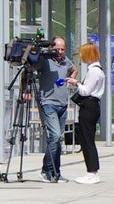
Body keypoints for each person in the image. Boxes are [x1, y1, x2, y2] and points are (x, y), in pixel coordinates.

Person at [32, 36, 75, 182]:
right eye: (57, 49)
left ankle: (55, 172)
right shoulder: (45, 61)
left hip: (62, 105)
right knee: (55, 136)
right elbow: (32, 68)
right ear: (51, 48)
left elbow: (73, 69)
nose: (60, 52)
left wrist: (69, 81)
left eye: (63, 49)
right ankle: (47, 171)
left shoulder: (66, 61)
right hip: (48, 103)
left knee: (58, 139)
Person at [72, 42, 106, 183]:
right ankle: (91, 170)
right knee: (87, 139)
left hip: (89, 105)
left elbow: (86, 91)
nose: (80, 55)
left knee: (87, 140)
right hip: (93, 106)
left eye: (82, 53)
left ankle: (92, 171)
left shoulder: (94, 71)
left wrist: (76, 83)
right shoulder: (98, 69)